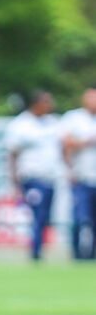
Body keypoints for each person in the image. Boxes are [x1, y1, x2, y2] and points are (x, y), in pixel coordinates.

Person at [4, 90, 64, 261]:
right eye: (46, 102)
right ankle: (35, 252)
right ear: (36, 104)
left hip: (50, 178)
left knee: (45, 216)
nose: (50, 106)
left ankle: (39, 248)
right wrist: (14, 180)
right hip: (32, 178)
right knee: (37, 215)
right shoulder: (21, 125)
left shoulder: (53, 123)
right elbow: (13, 153)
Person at [59, 87, 96, 260]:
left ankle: (92, 256)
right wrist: (86, 143)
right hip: (81, 177)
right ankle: (77, 254)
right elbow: (65, 143)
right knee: (80, 218)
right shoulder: (74, 118)